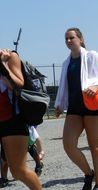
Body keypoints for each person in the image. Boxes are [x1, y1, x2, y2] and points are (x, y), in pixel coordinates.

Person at [55, 28, 98, 190]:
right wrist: (59, 105)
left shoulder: (92, 56)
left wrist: (96, 85)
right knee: (68, 145)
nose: (68, 41)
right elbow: (64, 86)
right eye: (66, 38)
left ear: (81, 39)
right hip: (75, 108)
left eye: (72, 37)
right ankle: (88, 173)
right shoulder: (66, 63)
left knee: (95, 147)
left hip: (92, 107)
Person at [0, 49, 42, 189]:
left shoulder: (10, 56)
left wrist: (3, 65)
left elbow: (17, 85)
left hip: (11, 119)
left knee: (18, 170)